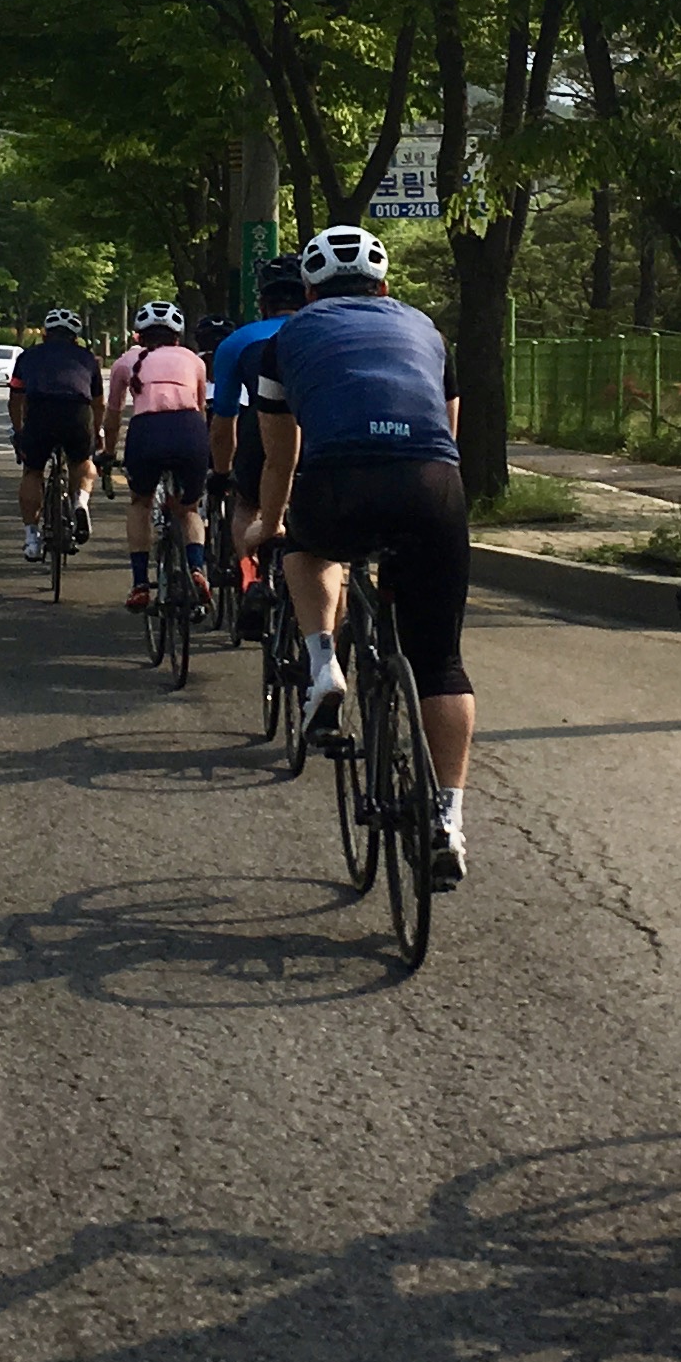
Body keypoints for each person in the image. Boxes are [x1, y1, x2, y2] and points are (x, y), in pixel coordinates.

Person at [249, 224, 475, 889]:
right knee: (441, 664)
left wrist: (269, 522)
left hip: (337, 481)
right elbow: (448, 432)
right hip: (431, 484)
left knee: (305, 547)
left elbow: (280, 456)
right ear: (385, 286)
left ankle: (323, 663)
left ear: (309, 291)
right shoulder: (427, 329)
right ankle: (448, 819)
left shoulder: (285, 339)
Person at [208, 252, 312, 610]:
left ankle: (250, 578)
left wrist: (222, 473)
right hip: (318, 428)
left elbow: (224, 418)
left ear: (263, 303)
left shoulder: (237, 341)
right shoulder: (326, 332)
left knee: (247, 504)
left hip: (260, 429)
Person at [105, 299, 217, 611]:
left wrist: (107, 452)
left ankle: (140, 583)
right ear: (177, 336)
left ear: (139, 335)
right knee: (189, 508)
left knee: (140, 503)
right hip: (189, 429)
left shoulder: (125, 362)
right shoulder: (193, 360)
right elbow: (200, 407)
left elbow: (112, 416)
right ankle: (196, 568)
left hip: (147, 431)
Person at [7, 306, 104, 560]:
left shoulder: (28, 356)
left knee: (32, 471)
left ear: (45, 334)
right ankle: (80, 502)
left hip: (40, 412)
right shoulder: (88, 359)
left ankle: (31, 538)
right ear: (76, 338)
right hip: (76, 412)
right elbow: (98, 403)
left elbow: (15, 399)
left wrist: (19, 431)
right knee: (82, 462)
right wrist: (97, 431)